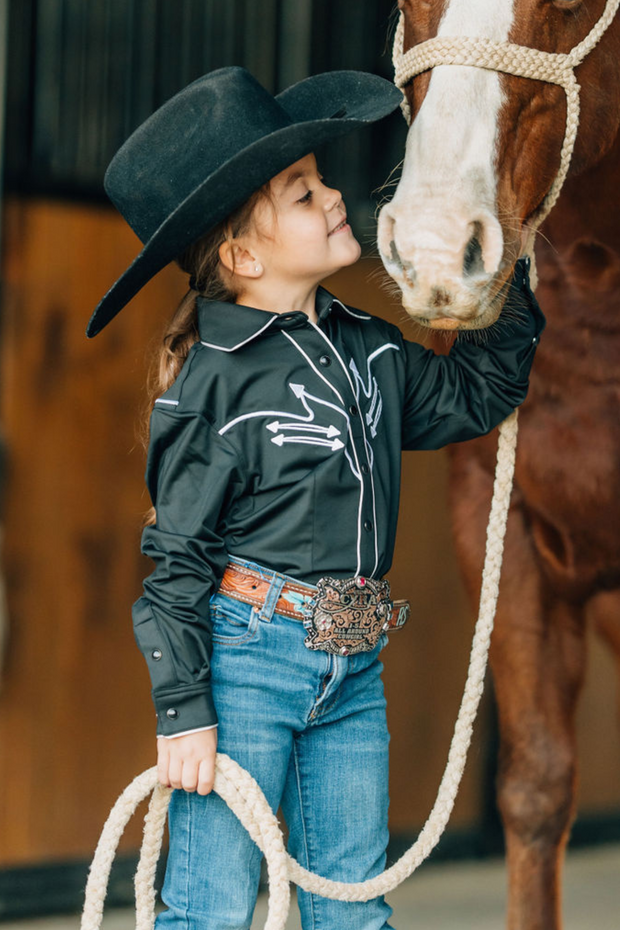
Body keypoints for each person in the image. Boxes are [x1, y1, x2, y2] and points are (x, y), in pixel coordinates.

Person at [88, 66, 546, 930]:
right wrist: (184, 712)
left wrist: (507, 256)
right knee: (212, 908)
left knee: (353, 906)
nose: (334, 194)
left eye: (319, 177)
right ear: (244, 256)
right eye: (302, 194)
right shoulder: (210, 389)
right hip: (247, 663)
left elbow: (475, 395)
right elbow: (177, 563)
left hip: (354, 665)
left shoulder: (370, 348)